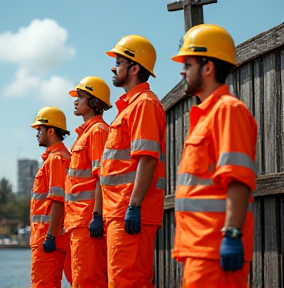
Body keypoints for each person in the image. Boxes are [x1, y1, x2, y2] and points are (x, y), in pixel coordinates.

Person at [171, 24, 258, 288]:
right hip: (198, 250)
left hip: (215, 250)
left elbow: (238, 178)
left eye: (188, 63)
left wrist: (232, 235)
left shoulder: (228, 111)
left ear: (208, 68)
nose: (182, 71)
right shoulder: (206, 116)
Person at [100, 35, 166, 288]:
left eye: (118, 62)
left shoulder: (144, 105)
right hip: (119, 211)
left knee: (127, 282)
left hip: (129, 209)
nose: (113, 67)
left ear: (135, 68)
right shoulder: (130, 108)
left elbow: (147, 159)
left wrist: (134, 206)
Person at [64, 76, 111, 287]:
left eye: (80, 96)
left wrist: (97, 215)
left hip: (87, 220)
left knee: (89, 280)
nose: (76, 100)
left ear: (93, 101)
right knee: (80, 280)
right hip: (78, 222)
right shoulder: (85, 134)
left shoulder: (98, 131)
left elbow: (101, 175)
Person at [30, 106, 72, 288]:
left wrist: (50, 237)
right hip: (49, 237)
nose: (37, 134)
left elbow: (58, 200)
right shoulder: (57, 157)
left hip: (47, 238)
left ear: (51, 130)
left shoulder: (56, 159)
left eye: (39, 129)